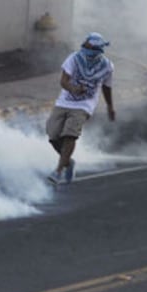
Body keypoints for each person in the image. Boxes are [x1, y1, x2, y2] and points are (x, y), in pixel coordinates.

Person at [45, 32, 115, 185]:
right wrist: (73, 88)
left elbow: (106, 87)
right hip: (65, 101)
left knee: (70, 135)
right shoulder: (73, 58)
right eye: (86, 46)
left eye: (90, 48)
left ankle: (58, 171)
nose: (87, 50)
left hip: (85, 104)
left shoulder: (107, 66)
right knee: (53, 135)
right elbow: (63, 81)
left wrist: (110, 106)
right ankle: (68, 162)